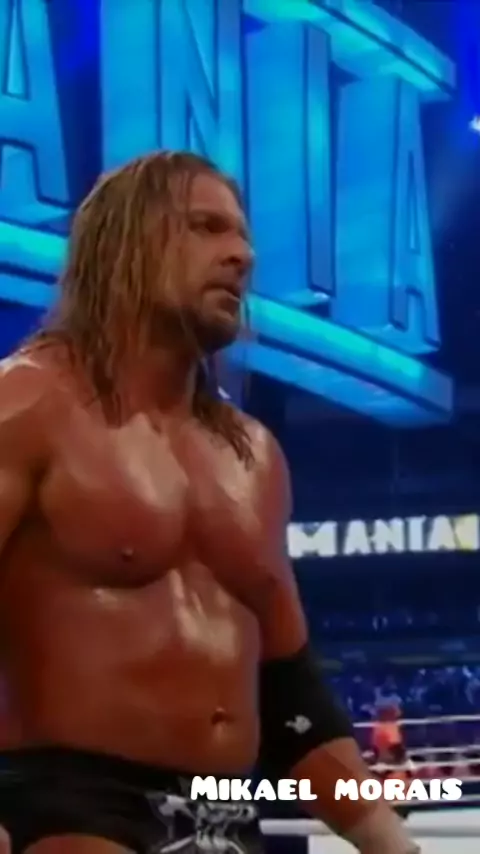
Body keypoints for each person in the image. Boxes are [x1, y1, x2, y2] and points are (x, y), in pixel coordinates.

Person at [0, 151, 419, 854]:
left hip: (227, 813)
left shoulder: (252, 455)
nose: (243, 256)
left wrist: (388, 840)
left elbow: (290, 693)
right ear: (126, 244)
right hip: (73, 808)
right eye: (207, 228)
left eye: (244, 236)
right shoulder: (27, 404)